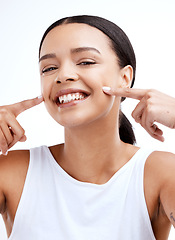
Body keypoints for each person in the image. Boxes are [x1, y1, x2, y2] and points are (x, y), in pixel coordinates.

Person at [0, 15, 175, 240]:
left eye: (85, 62)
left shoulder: (161, 173)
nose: (63, 76)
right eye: (49, 68)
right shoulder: (11, 172)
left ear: (124, 77)